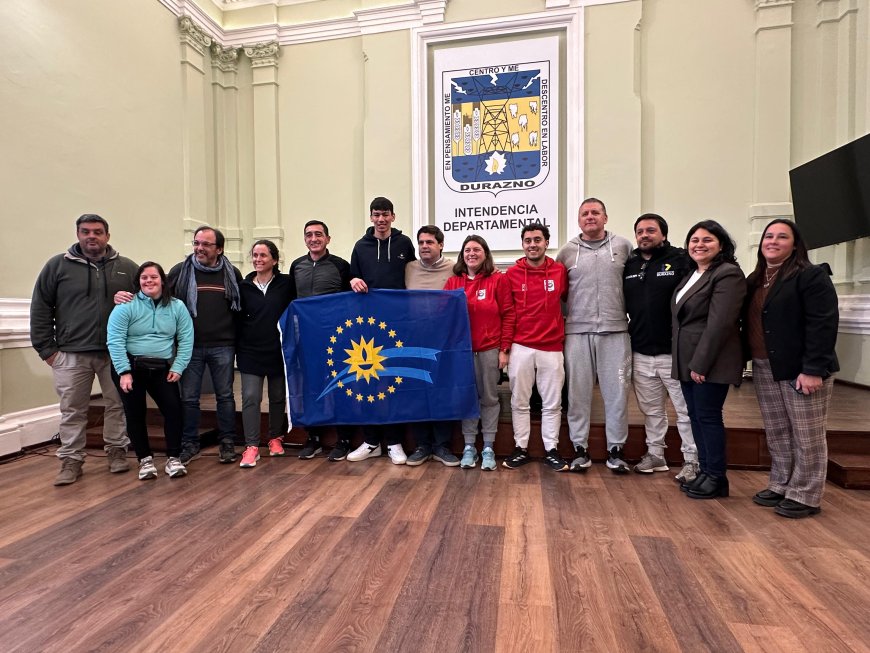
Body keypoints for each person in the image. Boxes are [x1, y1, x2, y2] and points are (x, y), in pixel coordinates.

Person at [30, 214, 137, 485]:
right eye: (86, 231)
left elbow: (147, 302)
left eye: (98, 232)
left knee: (117, 405)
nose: (92, 236)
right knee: (72, 409)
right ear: (78, 234)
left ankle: (116, 452)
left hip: (116, 354)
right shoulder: (57, 266)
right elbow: (41, 307)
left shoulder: (126, 267)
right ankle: (71, 460)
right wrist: (47, 350)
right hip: (71, 353)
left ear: (107, 236)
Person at [745, 219, 838, 518]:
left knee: (806, 434)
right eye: (768, 236)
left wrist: (813, 369)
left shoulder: (810, 276)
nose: (773, 241)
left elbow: (823, 324)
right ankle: (782, 483)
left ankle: (806, 494)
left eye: (781, 237)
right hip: (764, 366)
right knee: (777, 432)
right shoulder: (756, 278)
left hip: (801, 368)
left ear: (795, 244)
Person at [556, 198, 633, 473]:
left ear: (605, 217)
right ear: (579, 220)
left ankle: (616, 450)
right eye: (585, 213)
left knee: (617, 394)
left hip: (615, 331)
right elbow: (559, 294)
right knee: (578, 394)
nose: (590, 217)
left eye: (595, 213)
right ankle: (580, 449)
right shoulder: (566, 252)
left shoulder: (623, 247)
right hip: (577, 332)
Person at [672, 220, 746, 499]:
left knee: (708, 417)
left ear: (722, 245)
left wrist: (700, 364)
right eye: (694, 240)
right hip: (688, 360)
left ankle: (717, 477)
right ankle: (705, 471)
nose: (699, 245)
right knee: (696, 417)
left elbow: (720, 324)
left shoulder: (727, 274)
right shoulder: (693, 273)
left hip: (709, 362)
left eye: (707, 240)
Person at [623, 213, 698, 482]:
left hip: (674, 353)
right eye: (640, 231)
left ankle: (693, 460)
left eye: (651, 231)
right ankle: (656, 454)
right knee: (651, 410)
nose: (645, 235)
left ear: (663, 234)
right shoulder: (629, 264)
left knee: (686, 410)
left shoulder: (681, 260)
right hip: (641, 351)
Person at [107, 262, 194, 479]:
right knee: (135, 414)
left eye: (153, 277)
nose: (149, 281)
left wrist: (179, 365)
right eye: (144, 277)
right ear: (138, 282)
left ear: (162, 281)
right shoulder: (125, 306)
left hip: (162, 369)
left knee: (174, 411)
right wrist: (123, 371)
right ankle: (144, 460)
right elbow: (115, 340)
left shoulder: (177, 307)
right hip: (130, 367)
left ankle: (173, 458)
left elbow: (186, 338)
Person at [346, 197, 416, 464]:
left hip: (397, 327)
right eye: (376, 215)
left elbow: (413, 276)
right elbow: (352, 276)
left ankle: (395, 442)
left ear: (393, 217)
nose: (381, 219)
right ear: (371, 217)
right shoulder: (360, 247)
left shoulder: (404, 243)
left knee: (393, 384)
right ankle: (371, 441)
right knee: (368, 382)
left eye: (385, 214)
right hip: (367, 328)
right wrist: (353, 279)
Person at [168, 226, 243, 465]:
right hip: (189, 347)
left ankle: (227, 442)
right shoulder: (180, 272)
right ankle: (189, 444)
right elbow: (162, 302)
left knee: (225, 397)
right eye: (196, 243)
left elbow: (240, 309)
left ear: (219, 249)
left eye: (206, 244)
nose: (199, 248)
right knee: (189, 398)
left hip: (223, 345)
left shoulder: (233, 274)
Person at [444, 235, 515, 471]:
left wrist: (504, 349)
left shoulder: (498, 280)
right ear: (462, 255)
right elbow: (445, 317)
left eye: (476, 249)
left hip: (490, 348)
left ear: (485, 253)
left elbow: (508, 315)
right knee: (468, 398)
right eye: (467, 250)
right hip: (463, 353)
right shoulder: (453, 283)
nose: (471, 253)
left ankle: (488, 446)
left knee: (489, 397)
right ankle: (469, 446)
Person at [502, 223, 569, 471]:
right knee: (520, 401)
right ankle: (520, 448)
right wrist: (506, 346)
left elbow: (566, 300)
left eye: (537, 240)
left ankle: (551, 449)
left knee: (553, 403)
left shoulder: (560, 271)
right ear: (523, 244)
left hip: (552, 346)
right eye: (528, 240)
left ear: (546, 242)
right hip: (521, 346)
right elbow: (507, 313)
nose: (532, 244)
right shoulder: (511, 274)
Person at [289, 220, 355, 461]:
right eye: (309, 235)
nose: (314, 238)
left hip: (336, 339)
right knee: (311, 388)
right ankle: (313, 437)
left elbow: (351, 301)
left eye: (319, 234)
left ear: (328, 238)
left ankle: (344, 439)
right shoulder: (296, 266)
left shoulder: (341, 266)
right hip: (307, 339)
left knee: (340, 386)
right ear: (305, 239)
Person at [404, 225, 460, 467]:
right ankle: (422, 444)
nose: (424, 246)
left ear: (441, 245)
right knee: (418, 392)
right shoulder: (409, 268)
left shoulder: (453, 268)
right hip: (414, 340)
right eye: (421, 242)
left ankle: (442, 445)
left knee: (441, 392)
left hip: (443, 341)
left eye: (429, 242)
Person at [237, 240, 295, 468]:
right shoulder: (243, 286)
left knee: (278, 397)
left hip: (278, 350)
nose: (258, 259)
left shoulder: (287, 284)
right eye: (255, 255)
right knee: (251, 397)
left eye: (263, 255)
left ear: (274, 259)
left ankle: (275, 438)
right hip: (250, 350)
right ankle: (251, 446)